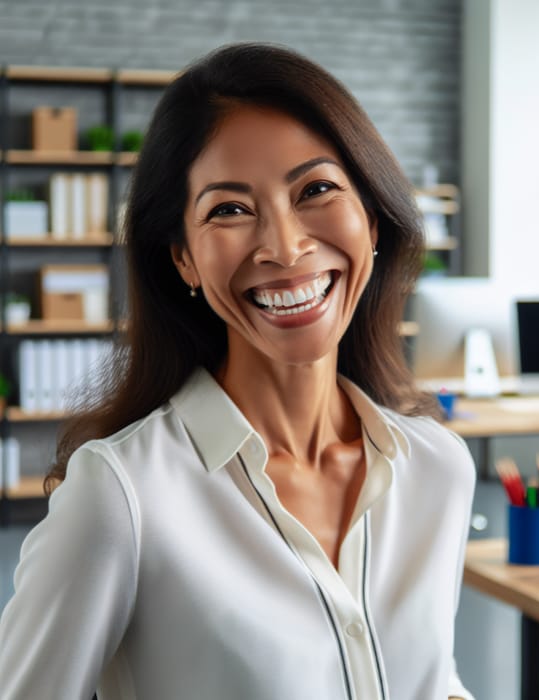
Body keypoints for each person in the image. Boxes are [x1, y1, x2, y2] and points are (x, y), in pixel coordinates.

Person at [0, 43, 476, 700]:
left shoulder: (438, 466)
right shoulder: (119, 500)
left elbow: (424, 675)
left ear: (371, 219)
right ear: (185, 260)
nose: (284, 248)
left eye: (317, 189)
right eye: (229, 209)